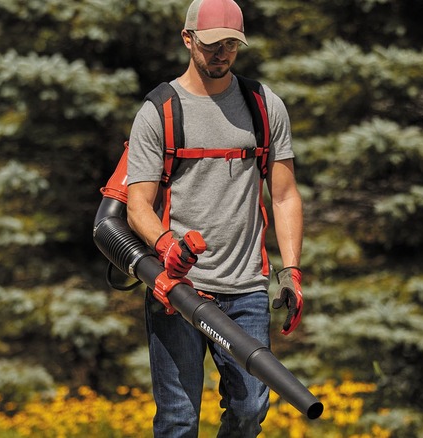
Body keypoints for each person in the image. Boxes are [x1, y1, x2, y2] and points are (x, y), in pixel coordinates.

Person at [126, 0, 304, 436]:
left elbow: (283, 196)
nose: (221, 53)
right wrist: (168, 247)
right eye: (211, 44)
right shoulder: (160, 111)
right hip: (178, 290)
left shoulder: (263, 105)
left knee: (249, 408)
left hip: (245, 288)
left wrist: (292, 271)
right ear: (188, 40)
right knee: (178, 420)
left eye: (231, 44)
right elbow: (137, 206)